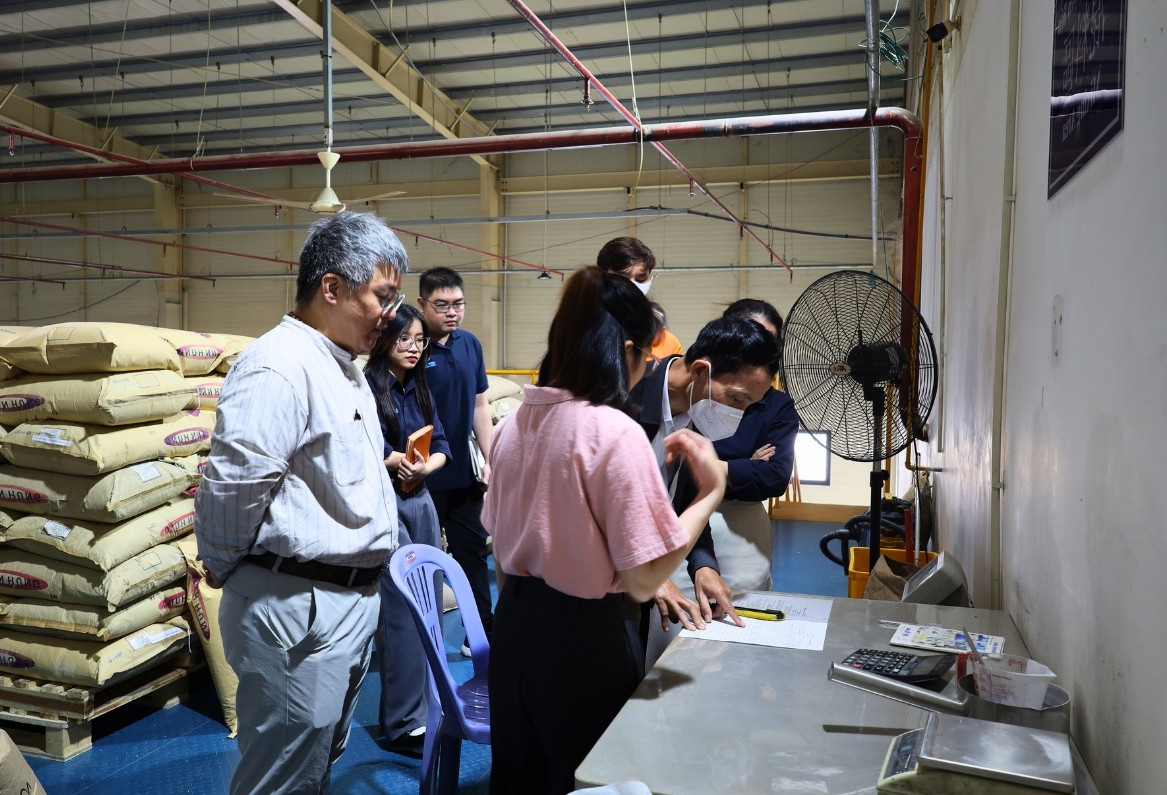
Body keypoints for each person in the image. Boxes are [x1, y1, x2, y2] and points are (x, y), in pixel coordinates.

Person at [482, 266, 726, 794]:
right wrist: (709, 492)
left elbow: (501, 555)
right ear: (629, 351)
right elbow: (643, 580)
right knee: (593, 780)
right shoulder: (613, 431)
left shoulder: (512, 426)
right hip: (582, 643)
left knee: (519, 780)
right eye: (647, 358)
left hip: (515, 630)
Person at [194, 211, 407, 794]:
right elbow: (235, 487)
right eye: (382, 296)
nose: (391, 313)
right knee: (282, 777)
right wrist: (225, 564)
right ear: (332, 288)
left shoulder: (342, 366)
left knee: (312, 766)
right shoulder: (279, 366)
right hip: (297, 608)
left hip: (341, 604)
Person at [628, 315, 781, 646]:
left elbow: (684, 500)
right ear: (700, 371)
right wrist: (650, 576)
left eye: (749, 406)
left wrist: (704, 566)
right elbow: (594, 512)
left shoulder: (697, 411)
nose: (738, 415)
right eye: (737, 399)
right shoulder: (623, 400)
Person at [664, 299, 799, 597]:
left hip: (739, 529)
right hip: (680, 520)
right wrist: (744, 466)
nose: (758, 352)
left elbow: (775, 476)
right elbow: (681, 478)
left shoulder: (776, 406)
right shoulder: (697, 398)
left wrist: (714, 467)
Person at [363, 304, 451, 753]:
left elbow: (443, 443)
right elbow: (363, 449)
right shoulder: (366, 387)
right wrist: (396, 460)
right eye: (404, 339)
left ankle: (428, 708)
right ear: (384, 340)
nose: (414, 348)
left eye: (419, 340)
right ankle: (401, 724)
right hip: (387, 502)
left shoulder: (418, 387)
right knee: (400, 608)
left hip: (421, 499)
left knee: (430, 602)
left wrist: (426, 466)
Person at [416, 267, 494, 654]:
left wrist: (492, 459)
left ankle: (479, 634)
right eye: (442, 305)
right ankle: (421, 637)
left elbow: (480, 405)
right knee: (423, 560)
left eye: (458, 304)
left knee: (473, 553)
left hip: (464, 475)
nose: (452, 312)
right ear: (421, 304)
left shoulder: (470, 344)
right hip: (422, 476)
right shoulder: (411, 346)